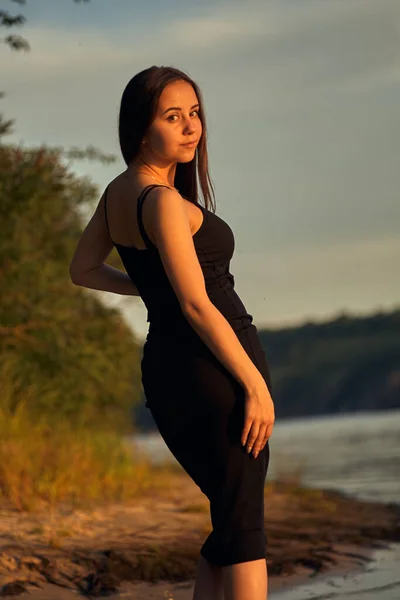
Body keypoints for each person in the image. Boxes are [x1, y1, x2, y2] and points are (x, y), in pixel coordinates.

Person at [69, 65, 275, 600]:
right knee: (245, 527)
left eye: (195, 113)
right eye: (172, 116)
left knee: (230, 520)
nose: (190, 127)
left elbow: (83, 269)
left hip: (169, 369)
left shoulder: (119, 192)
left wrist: (151, 290)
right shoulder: (160, 200)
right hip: (214, 370)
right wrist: (254, 386)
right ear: (141, 129)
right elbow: (196, 304)